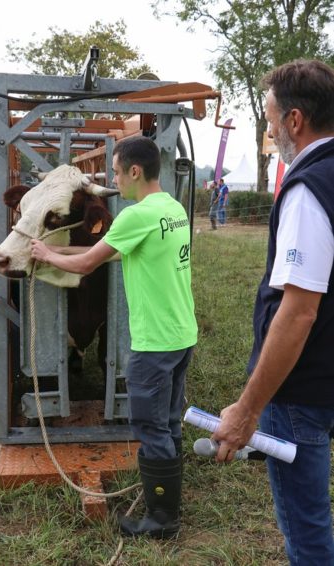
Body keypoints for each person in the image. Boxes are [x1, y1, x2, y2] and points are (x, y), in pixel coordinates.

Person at [30, 136, 198, 539]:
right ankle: (168, 501)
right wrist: (56, 250)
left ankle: (161, 521)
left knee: (149, 425)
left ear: (135, 171)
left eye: (118, 172)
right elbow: (112, 253)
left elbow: (89, 265)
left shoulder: (134, 216)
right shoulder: (171, 209)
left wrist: (46, 256)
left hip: (154, 344)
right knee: (168, 421)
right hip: (181, 335)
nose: (116, 180)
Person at [212, 59, 334, 565]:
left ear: (295, 121)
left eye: (269, 117)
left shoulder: (308, 189)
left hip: (301, 388)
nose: (268, 128)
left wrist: (247, 409)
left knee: (306, 528)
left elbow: (298, 311)